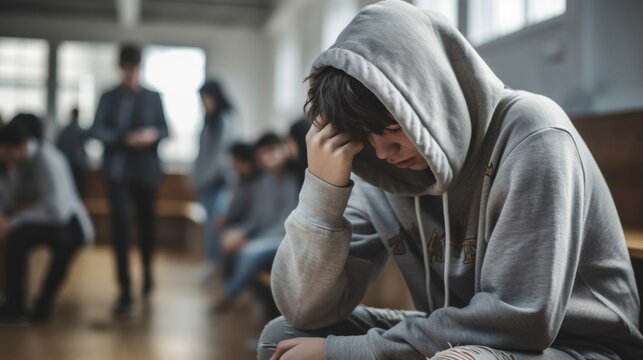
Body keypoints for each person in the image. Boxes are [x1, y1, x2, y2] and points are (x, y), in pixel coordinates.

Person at [258, 2, 643, 360]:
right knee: (282, 337)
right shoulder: (382, 168)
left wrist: (345, 351)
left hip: (581, 347)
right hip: (468, 339)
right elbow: (304, 308)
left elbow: (522, 321)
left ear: (431, 94)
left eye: (393, 127)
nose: (383, 152)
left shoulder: (534, 135)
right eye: (365, 136)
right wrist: (322, 193)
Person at [90, 43, 169, 317]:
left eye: (134, 69)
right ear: (121, 68)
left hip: (146, 173)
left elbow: (165, 129)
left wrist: (151, 136)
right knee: (121, 230)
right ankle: (124, 288)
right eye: (127, 69)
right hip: (117, 173)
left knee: (147, 228)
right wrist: (123, 138)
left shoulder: (153, 97)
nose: (131, 74)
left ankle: (147, 273)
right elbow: (96, 129)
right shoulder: (109, 97)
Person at [0, 114, 94, 325]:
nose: (4, 157)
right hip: (48, 220)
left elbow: (57, 211)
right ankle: (14, 304)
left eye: (7, 152)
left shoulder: (48, 160)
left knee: (62, 244)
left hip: (70, 223)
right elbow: (6, 194)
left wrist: (13, 221)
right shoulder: (18, 162)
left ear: (23, 145)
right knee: (16, 239)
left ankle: (43, 304)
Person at [213, 133, 299, 314]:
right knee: (231, 238)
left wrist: (250, 239)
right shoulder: (264, 181)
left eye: (272, 151)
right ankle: (251, 299)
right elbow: (256, 219)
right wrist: (243, 233)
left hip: (284, 238)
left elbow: (286, 224)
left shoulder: (292, 179)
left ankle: (230, 294)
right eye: (263, 155)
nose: (269, 159)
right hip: (265, 236)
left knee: (249, 252)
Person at [192, 80, 237, 281]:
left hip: (220, 183)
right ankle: (211, 263)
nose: (204, 103)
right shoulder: (208, 120)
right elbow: (202, 153)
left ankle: (214, 264)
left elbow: (222, 156)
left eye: (206, 99)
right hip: (206, 183)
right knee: (209, 225)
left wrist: (203, 178)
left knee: (215, 224)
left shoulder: (226, 119)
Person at [56, 107, 89, 197]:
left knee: (68, 190)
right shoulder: (80, 130)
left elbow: (58, 146)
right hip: (78, 165)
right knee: (79, 191)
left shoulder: (65, 131)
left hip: (68, 164)